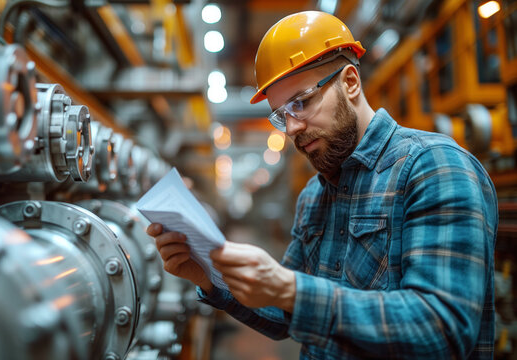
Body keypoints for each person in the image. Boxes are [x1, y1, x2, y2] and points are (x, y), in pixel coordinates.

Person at [146, 10, 498, 359]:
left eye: (301, 102)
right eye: (282, 115)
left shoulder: (433, 167)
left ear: (350, 82)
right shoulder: (314, 195)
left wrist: (294, 291)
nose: (292, 128)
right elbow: (285, 315)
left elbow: (441, 331)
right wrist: (209, 278)